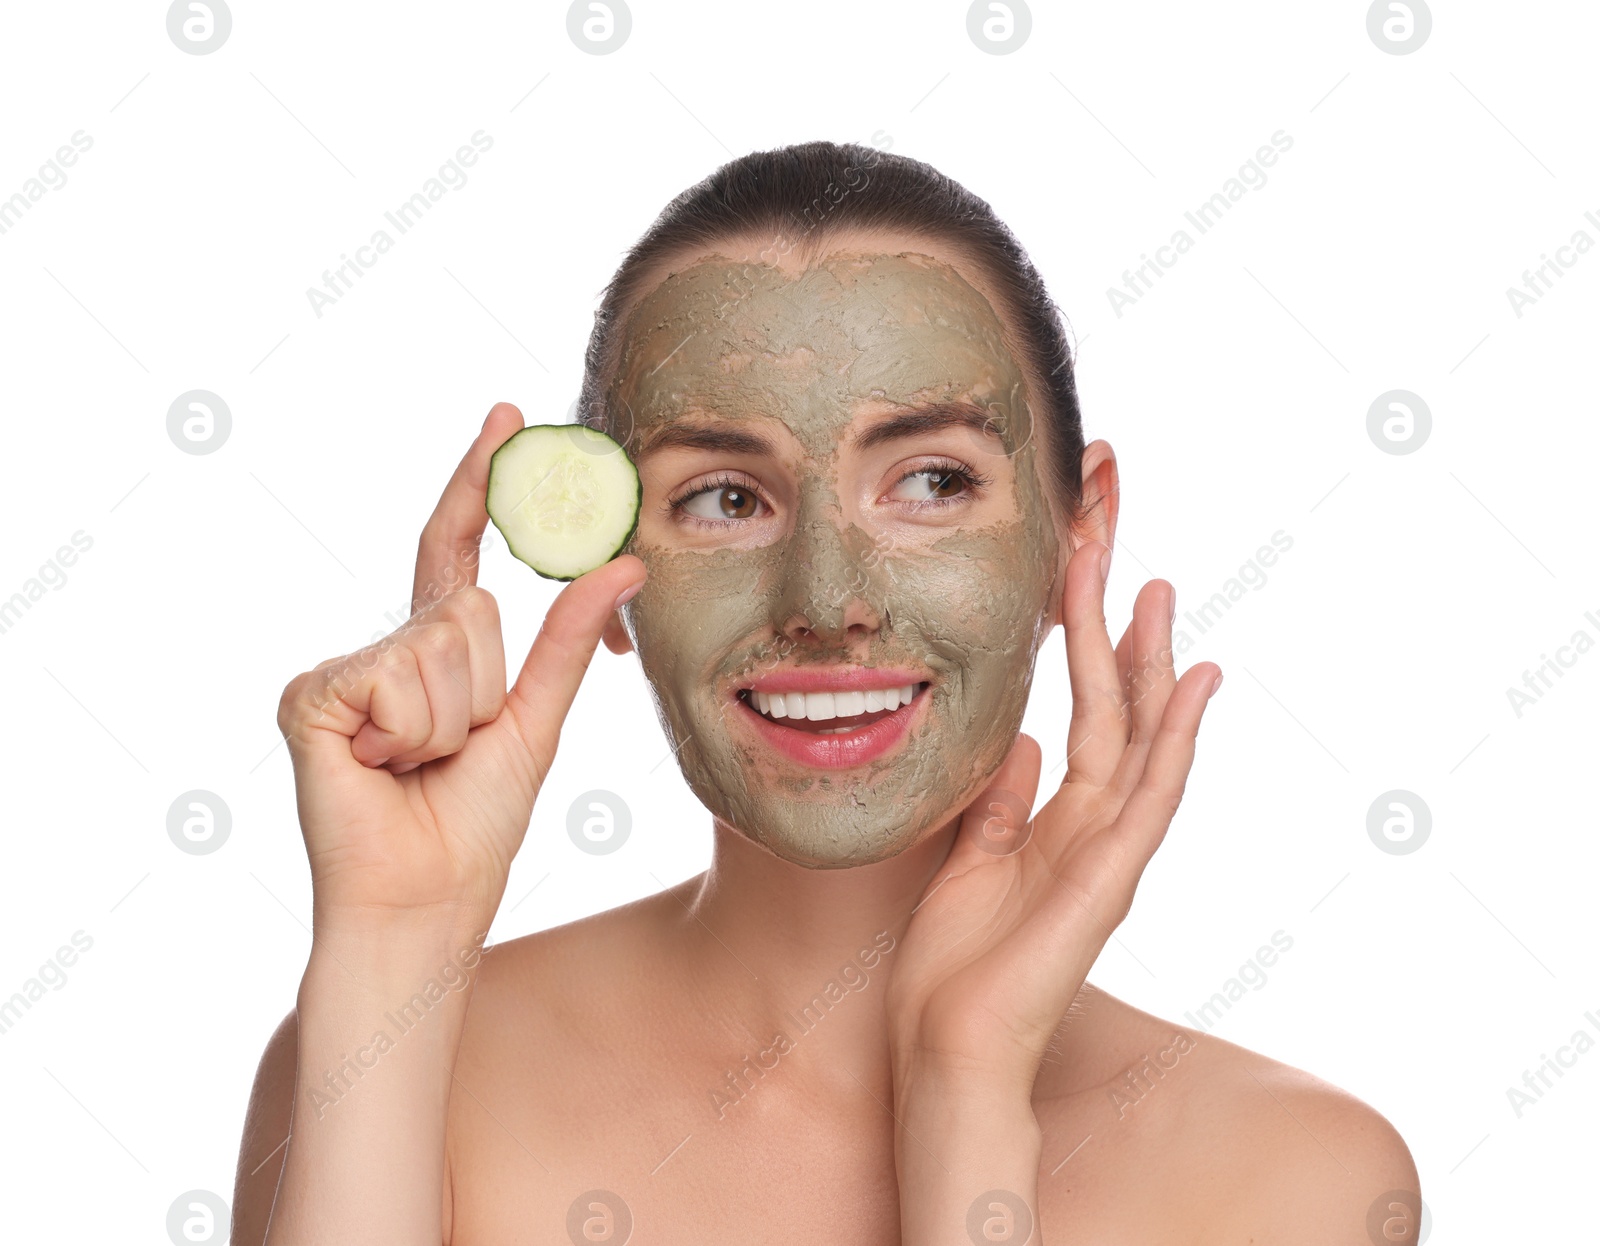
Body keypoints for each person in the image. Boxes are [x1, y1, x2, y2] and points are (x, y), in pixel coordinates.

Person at [234, 141, 1420, 1243]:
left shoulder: (1293, 1177)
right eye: (724, 498)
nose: (826, 599)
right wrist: (396, 945)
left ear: (1077, 528)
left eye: (931, 481)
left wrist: (966, 1114)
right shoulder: (392, 1051)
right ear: (602, 567)